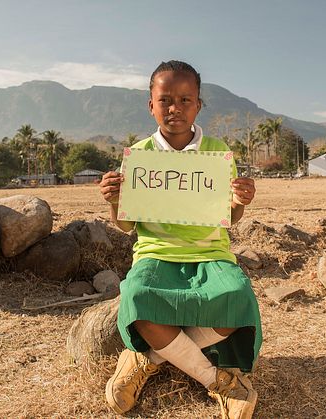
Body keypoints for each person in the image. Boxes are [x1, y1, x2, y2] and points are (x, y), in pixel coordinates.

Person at [99, 60, 262, 419]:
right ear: (151, 105)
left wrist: (239, 202)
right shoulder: (139, 156)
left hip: (211, 253)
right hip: (156, 254)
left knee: (237, 298)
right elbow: (127, 227)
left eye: (186, 100)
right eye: (166, 100)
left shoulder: (218, 153)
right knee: (138, 295)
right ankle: (216, 379)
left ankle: (148, 357)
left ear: (199, 105)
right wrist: (114, 201)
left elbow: (229, 218)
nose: (175, 108)